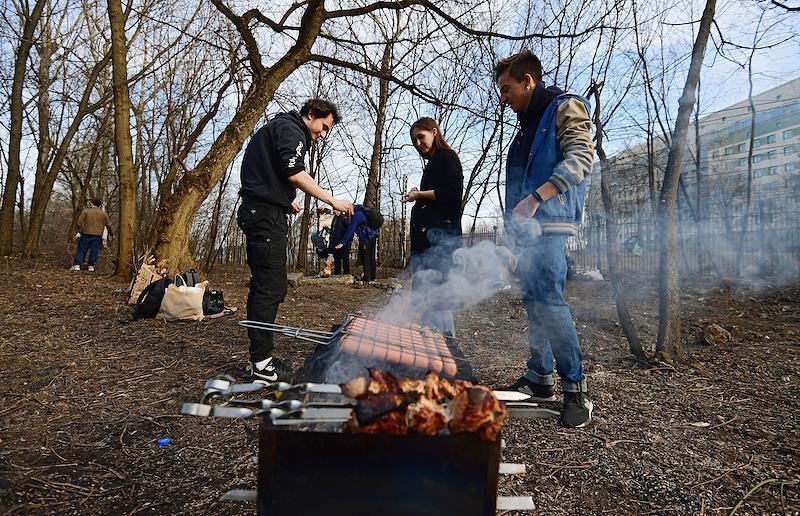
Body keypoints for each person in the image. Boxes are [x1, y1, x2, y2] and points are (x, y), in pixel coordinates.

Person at [494, 50, 595, 428]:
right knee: (533, 299)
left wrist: (538, 198)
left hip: (551, 220)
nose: (503, 98)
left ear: (527, 81)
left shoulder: (564, 107)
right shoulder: (525, 125)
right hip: (528, 225)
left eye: (506, 89)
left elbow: (582, 158)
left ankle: (576, 390)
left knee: (549, 300)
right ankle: (540, 376)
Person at [238, 98, 354, 383]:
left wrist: (283, 200)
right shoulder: (291, 130)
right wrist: (331, 200)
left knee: (272, 284)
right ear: (311, 114)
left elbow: (270, 171)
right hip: (264, 216)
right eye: (324, 126)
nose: (323, 134)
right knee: (269, 286)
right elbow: (293, 172)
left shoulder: (280, 128)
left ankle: (261, 358)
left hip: (266, 211)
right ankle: (261, 365)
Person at [402, 117, 463, 337]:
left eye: (421, 136)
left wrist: (419, 195)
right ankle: (432, 354)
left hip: (440, 243)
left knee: (437, 298)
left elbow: (452, 194)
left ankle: (447, 354)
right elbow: (436, 194)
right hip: (427, 243)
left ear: (434, 132)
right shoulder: (434, 162)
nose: (418, 143)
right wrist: (420, 195)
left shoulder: (446, 157)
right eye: (414, 140)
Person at [333, 205, 379, 280]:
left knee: (366, 257)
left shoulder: (357, 215)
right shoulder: (363, 212)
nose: (345, 213)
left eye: (346, 211)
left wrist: (343, 242)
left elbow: (351, 229)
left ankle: (367, 278)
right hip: (373, 236)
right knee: (372, 257)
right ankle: (373, 277)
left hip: (366, 239)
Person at [71, 199, 114, 272]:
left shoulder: (86, 211)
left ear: (92, 204)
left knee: (81, 249)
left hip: (86, 233)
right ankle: (91, 266)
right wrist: (112, 234)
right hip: (97, 235)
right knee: (94, 250)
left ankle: (77, 265)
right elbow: (108, 225)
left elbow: (79, 222)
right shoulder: (104, 214)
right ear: (99, 205)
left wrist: (81, 231)